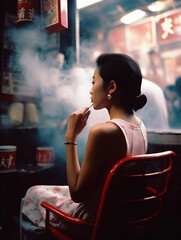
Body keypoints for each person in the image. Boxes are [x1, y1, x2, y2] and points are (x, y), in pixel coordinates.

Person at [20, 53, 148, 240]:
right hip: (121, 215)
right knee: (39, 190)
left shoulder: (103, 131)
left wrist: (71, 136)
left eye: (93, 82)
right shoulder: (140, 125)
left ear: (111, 87)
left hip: (92, 222)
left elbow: (78, 193)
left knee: (31, 193)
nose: (90, 90)